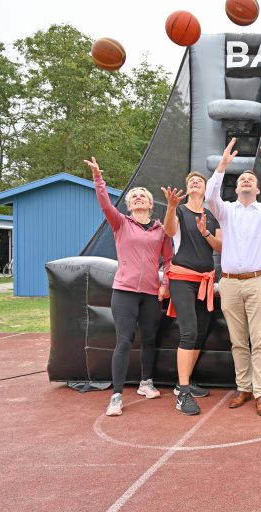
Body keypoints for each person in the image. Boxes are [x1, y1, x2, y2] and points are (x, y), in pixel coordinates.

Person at [84, 157, 172, 417]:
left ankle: (146, 383)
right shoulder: (120, 223)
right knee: (123, 341)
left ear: (150, 204)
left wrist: (164, 284)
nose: (138, 198)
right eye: (134, 196)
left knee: (149, 339)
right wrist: (98, 178)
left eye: (142, 195)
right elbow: (104, 204)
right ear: (129, 205)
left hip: (150, 294)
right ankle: (117, 395)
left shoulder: (160, 231)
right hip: (124, 292)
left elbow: (168, 260)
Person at [204, 137, 261, 417]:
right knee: (238, 340)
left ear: (258, 188)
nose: (247, 181)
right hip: (229, 283)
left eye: (251, 179)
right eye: (243, 179)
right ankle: (244, 387)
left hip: (259, 281)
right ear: (236, 188)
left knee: (259, 340)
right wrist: (222, 166)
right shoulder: (225, 211)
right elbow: (210, 197)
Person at [161, 172, 221, 416]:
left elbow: (220, 247)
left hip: (205, 280)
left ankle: (182, 383)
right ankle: (183, 393)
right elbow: (168, 230)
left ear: (206, 189)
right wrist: (170, 206)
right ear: (186, 188)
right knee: (188, 332)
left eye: (199, 181)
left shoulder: (212, 217)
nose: (194, 182)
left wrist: (205, 233)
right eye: (190, 181)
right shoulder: (179, 211)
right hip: (182, 279)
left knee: (200, 333)